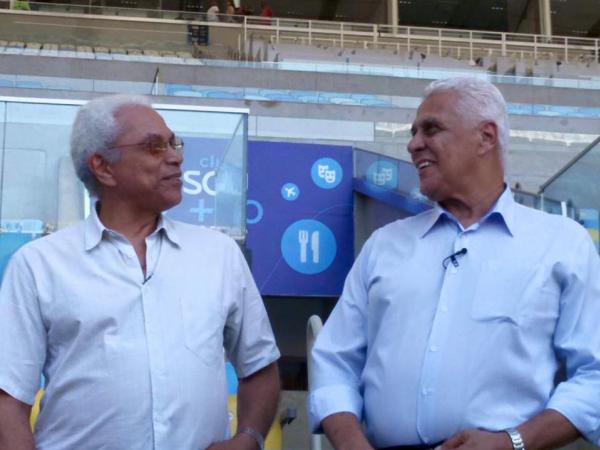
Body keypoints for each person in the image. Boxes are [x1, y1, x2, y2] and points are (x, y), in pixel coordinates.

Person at [309, 77, 600, 450]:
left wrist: (512, 442)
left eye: (431, 129)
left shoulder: (562, 244)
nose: (413, 144)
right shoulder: (383, 245)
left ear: (486, 137)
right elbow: (334, 362)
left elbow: (593, 377)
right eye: (413, 132)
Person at [0, 94, 280, 450]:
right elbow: (8, 399)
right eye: (154, 146)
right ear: (103, 167)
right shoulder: (39, 265)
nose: (175, 157)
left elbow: (259, 367)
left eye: (174, 143)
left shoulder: (220, 255)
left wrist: (249, 439)